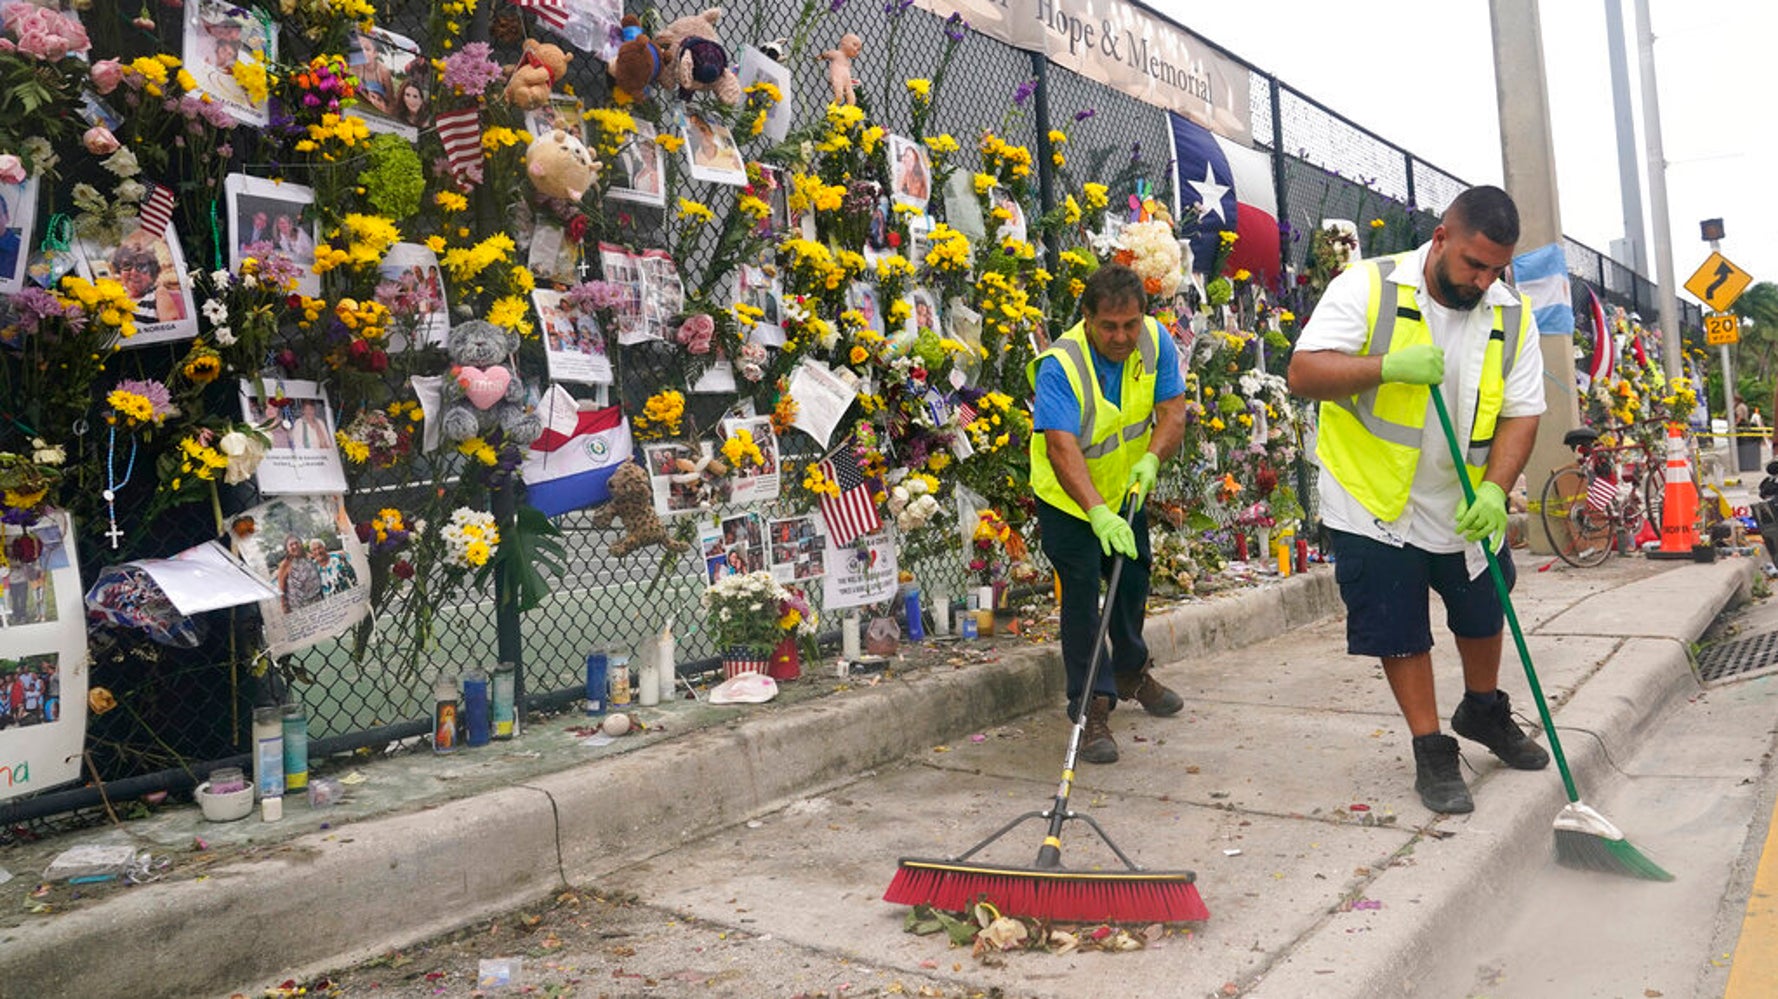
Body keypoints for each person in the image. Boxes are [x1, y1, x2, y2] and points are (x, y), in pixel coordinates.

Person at [1286, 185, 1548, 815]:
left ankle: (1483, 710)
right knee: (1401, 628)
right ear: (1440, 239)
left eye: (1496, 269)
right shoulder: (1367, 287)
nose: (1483, 280)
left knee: (1484, 611)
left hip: (1462, 501)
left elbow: (1522, 412)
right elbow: (1303, 373)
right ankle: (1431, 748)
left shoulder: (1510, 313)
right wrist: (1386, 366)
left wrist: (1495, 489)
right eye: (1473, 264)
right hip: (1374, 501)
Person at [1028, 262, 1187, 764]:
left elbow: (1172, 414)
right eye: (1109, 327)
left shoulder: (1156, 342)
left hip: (1126, 490)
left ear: (1144, 317)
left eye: (1130, 325)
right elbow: (1060, 447)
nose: (1121, 337)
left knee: (1132, 580)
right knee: (1082, 595)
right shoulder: (1062, 364)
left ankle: (1131, 671)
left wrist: (1151, 459)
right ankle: (1091, 703)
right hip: (1069, 501)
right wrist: (1096, 512)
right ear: (1087, 319)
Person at [276, 534, 323, 613]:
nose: (295, 546)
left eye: (296, 543)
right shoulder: (285, 565)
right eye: (291, 545)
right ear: (287, 549)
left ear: (301, 544)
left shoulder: (309, 557)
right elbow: (281, 591)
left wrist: (338, 554)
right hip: (299, 608)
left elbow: (322, 556)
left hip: (317, 602)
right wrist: (285, 609)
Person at [352, 32, 393, 114]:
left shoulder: (383, 71)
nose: (363, 52)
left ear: (375, 53)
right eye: (360, 49)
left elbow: (390, 99)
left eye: (367, 49)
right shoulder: (356, 67)